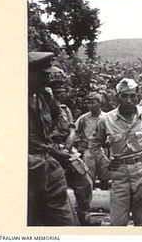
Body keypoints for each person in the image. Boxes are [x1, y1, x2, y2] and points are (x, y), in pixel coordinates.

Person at [89, 78, 142, 226]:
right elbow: (94, 143)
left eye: (132, 96)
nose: (129, 100)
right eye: (124, 96)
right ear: (117, 97)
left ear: (138, 96)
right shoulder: (106, 120)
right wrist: (105, 162)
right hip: (119, 173)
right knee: (117, 221)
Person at [28, 52, 75, 226]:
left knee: (65, 222)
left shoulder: (43, 96)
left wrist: (51, 100)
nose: (47, 80)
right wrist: (54, 151)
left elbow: (52, 128)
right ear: (28, 74)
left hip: (49, 167)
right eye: (43, 75)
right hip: (28, 168)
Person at [49, 80, 94, 226]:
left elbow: (72, 130)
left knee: (85, 180)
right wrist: (58, 152)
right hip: (50, 150)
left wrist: (67, 149)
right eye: (56, 93)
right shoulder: (41, 109)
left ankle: (83, 213)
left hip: (67, 149)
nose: (60, 95)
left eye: (61, 92)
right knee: (54, 185)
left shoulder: (64, 109)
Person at [75, 92, 109, 189]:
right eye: (88, 103)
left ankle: (104, 201)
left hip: (104, 150)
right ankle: (89, 200)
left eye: (92, 102)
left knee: (105, 176)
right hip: (89, 150)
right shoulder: (83, 119)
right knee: (89, 176)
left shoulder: (107, 118)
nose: (89, 105)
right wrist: (80, 144)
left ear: (100, 103)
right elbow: (75, 133)